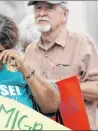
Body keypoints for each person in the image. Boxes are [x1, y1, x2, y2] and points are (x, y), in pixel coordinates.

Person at [25, 1, 98, 130]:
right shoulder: (30, 50)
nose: (41, 13)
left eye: (49, 8)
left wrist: (59, 87)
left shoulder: (82, 43)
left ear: (65, 15)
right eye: (38, 8)